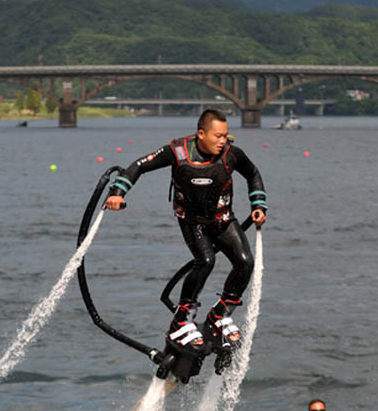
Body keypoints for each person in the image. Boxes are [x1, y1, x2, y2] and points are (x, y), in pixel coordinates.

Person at [104, 109, 267, 350]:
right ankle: (182, 320)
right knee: (206, 261)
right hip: (192, 222)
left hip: (223, 219)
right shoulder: (177, 151)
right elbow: (139, 165)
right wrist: (118, 193)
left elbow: (252, 173)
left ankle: (218, 316)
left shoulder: (232, 155)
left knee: (245, 263)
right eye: (218, 136)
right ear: (201, 134)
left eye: (226, 136)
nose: (223, 142)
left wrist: (258, 204)